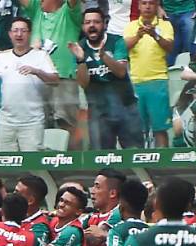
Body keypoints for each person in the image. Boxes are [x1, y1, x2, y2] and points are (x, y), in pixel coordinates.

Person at [0, 16, 59, 151]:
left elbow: (55, 80)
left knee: (33, 165)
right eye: (15, 31)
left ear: (29, 33)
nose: (19, 34)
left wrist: (36, 71)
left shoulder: (41, 56)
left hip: (32, 121)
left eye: (23, 31)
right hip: (6, 122)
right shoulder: (2, 57)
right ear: (10, 34)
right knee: (7, 166)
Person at [70, 7, 143, 149]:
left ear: (104, 24)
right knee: (103, 159)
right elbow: (83, 83)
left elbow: (121, 72)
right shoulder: (79, 47)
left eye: (96, 22)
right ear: (83, 26)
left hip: (125, 107)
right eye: (88, 22)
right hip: (99, 112)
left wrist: (103, 56)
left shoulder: (116, 41)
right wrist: (81, 60)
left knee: (136, 155)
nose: (92, 25)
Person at [21, 0, 83, 135]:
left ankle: (74, 157)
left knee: (66, 123)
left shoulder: (69, 12)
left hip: (63, 78)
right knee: (39, 125)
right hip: (37, 79)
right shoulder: (37, 10)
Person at [125, 0, 175, 147]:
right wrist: (137, 36)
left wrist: (155, 35)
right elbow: (123, 48)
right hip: (136, 83)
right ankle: (139, 165)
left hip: (158, 81)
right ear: (139, 6)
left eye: (151, 3)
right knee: (138, 130)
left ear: (157, 5)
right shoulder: (131, 26)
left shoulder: (165, 25)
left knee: (160, 129)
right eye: (144, 3)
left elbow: (170, 47)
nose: (147, 6)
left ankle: (164, 166)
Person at [161, 0, 195, 65]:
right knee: (168, 48)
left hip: (190, 9)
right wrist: (158, 8)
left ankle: (192, 69)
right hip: (167, 11)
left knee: (191, 47)